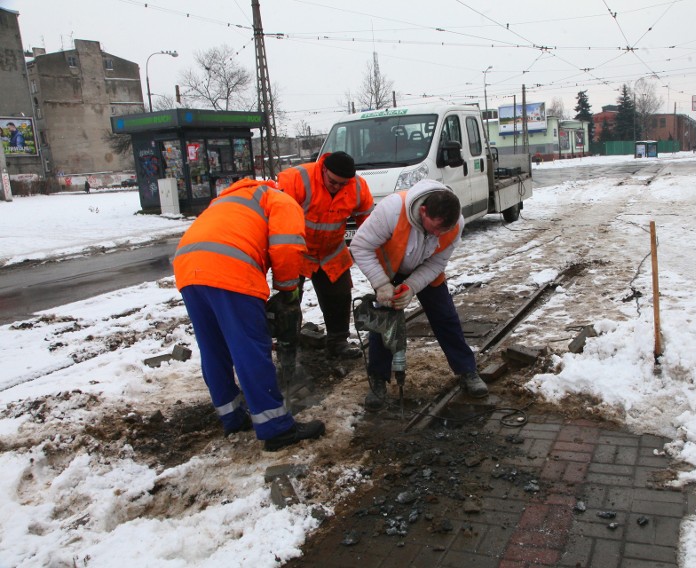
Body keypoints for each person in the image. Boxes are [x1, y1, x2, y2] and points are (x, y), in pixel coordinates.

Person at [173, 178, 325, 451]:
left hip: (187, 269)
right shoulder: (281, 199)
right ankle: (276, 428)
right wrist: (288, 290)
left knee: (213, 348)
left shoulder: (229, 199)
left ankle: (231, 416)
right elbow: (287, 246)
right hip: (230, 269)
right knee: (250, 349)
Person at [349, 179, 488, 412]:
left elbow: (438, 261)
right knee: (383, 323)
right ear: (423, 210)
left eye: (443, 231)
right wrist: (381, 283)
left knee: (446, 318)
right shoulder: (392, 210)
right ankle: (378, 380)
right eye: (435, 227)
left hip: (426, 271)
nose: (437, 234)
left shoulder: (455, 224)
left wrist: (412, 286)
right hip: (388, 271)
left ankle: (467, 371)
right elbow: (360, 246)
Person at [277, 151, 374, 360]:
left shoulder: (358, 186)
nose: (337, 187)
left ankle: (338, 342)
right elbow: (279, 217)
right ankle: (288, 347)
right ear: (323, 169)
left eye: (342, 184)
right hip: (297, 250)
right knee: (289, 299)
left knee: (339, 296)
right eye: (333, 182)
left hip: (331, 250)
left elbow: (367, 222)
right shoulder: (297, 179)